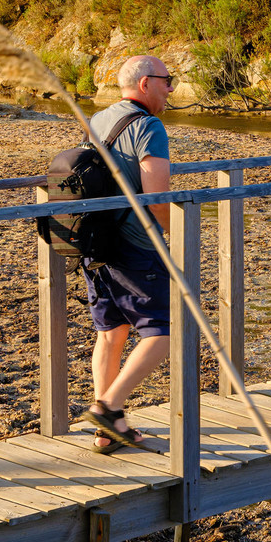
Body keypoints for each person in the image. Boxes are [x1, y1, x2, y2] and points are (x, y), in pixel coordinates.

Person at [81, 55, 175, 453]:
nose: (171, 89)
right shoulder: (149, 127)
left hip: (95, 243)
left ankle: (109, 430)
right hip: (135, 245)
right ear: (145, 84)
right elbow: (157, 195)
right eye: (167, 81)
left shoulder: (98, 120)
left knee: (111, 332)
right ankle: (108, 407)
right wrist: (173, 231)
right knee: (163, 332)